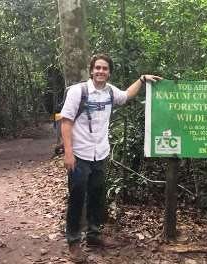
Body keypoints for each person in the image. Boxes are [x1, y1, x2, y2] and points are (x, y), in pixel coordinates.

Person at [60, 53, 162, 262]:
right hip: (79, 155)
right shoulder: (78, 92)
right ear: (91, 70)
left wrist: (142, 79)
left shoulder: (109, 92)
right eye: (97, 67)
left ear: (109, 72)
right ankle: (73, 241)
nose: (101, 71)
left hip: (100, 154)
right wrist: (68, 153)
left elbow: (125, 96)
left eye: (105, 68)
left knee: (97, 196)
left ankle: (94, 236)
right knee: (77, 198)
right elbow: (66, 122)